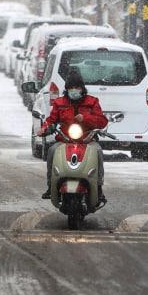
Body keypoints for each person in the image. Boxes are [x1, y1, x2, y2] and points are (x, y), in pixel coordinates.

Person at [39, 68, 108, 203]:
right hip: (65, 140)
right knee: (52, 151)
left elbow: (102, 121)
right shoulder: (59, 103)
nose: (74, 90)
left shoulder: (92, 102)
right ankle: (51, 185)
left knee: (98, 151)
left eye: (77, 87)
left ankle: (98, 187)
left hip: (87, 140)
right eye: (71, 87)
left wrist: (86, 118)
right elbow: (51, 120)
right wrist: (45, 128)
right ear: (67, 89)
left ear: (82, 88)